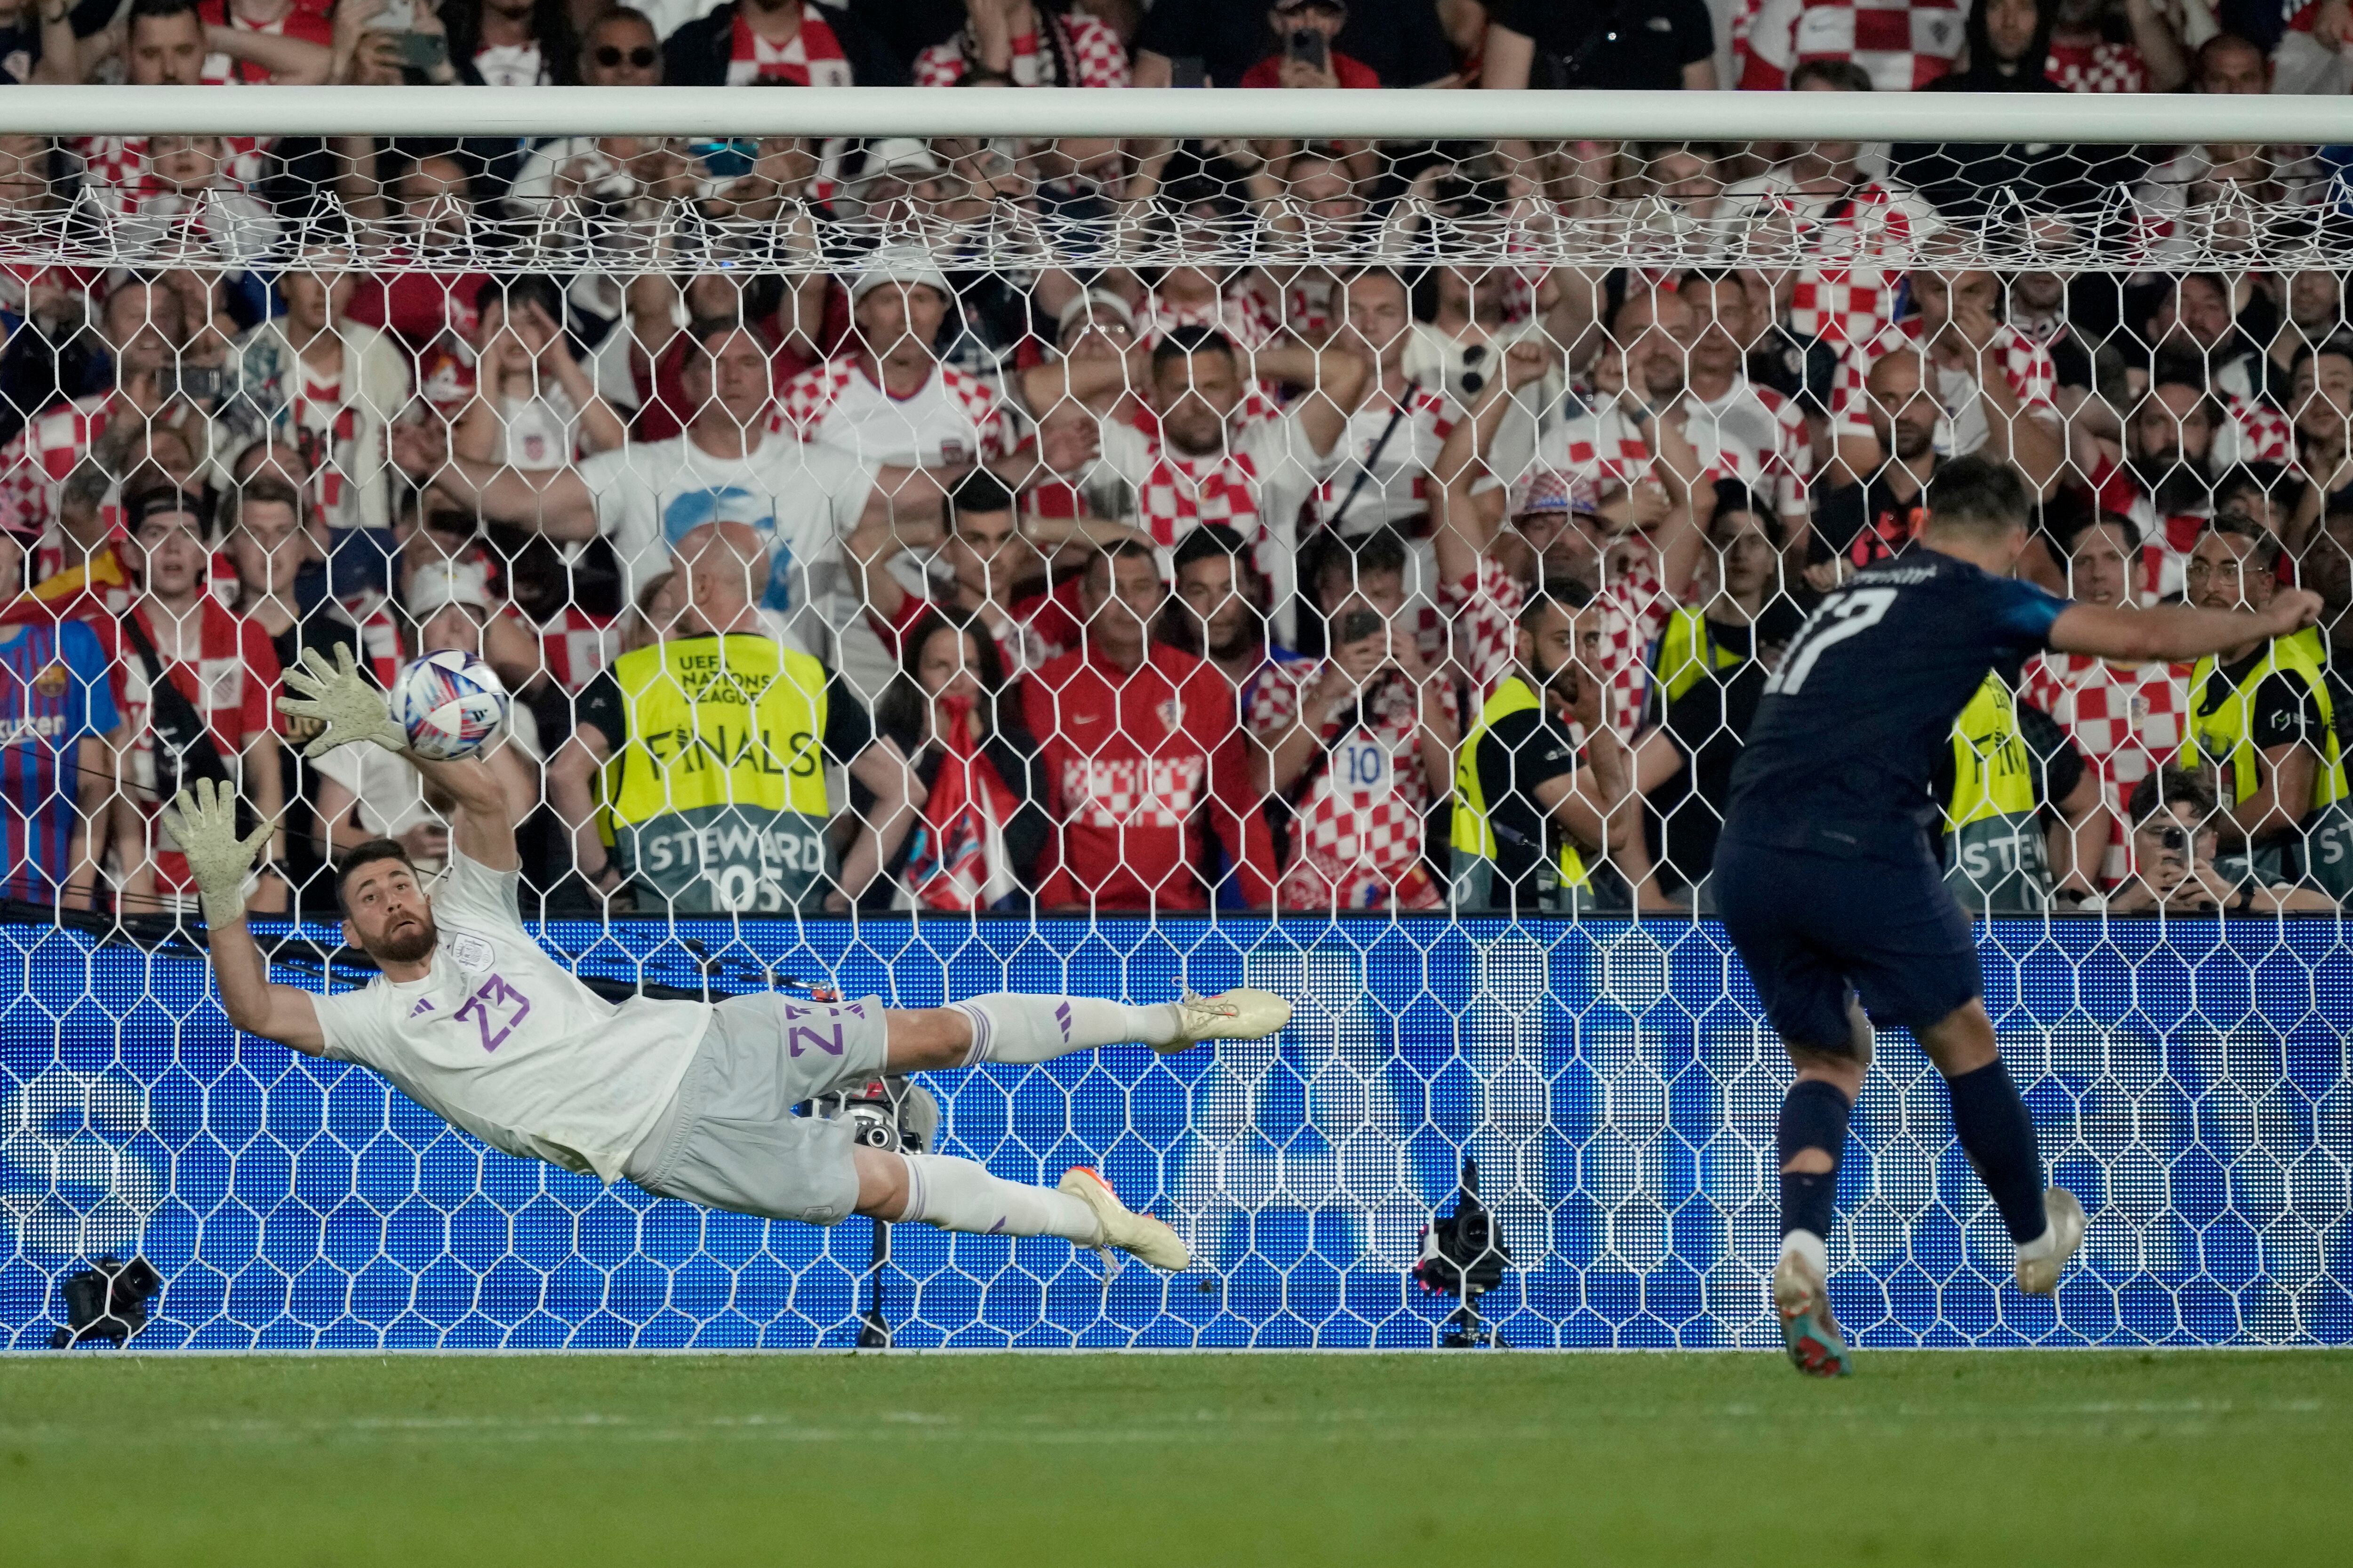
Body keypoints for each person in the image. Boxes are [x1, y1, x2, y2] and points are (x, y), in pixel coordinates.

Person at [170, 645, 1297, 1275]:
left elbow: (482, 797)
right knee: (887, 1190)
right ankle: (1095, 1220)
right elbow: (258, 1009)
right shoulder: (370, 1021)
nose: (391, 893)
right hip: (671, 1141)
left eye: (396, 878)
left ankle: (1176, 1018)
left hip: (716, 1034)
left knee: (934, 1034)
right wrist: (226, 893)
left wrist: (388, 730)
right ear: (355, 935)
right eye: (367, 895)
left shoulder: (478, 914)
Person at [1710, 454, 2324, 1378]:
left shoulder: (1858, 591)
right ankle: (2036, 1238)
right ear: (2016, 542)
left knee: (1830, 1058)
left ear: (1924, 522)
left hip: (1747, 852)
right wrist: (2266, 617)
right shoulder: (1976, 593)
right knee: (1961, 1038)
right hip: (1859, 843)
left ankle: (1802, 1251)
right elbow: (2139, 638)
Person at [549, 520, 916, 914]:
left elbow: (564, 774)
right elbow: (905, 791)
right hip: (787, 927)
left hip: (666, 929)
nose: (671, 588)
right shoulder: (809, 679)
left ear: (702, 586)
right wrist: (840, 895)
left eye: (677, 574)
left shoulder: (637, 674)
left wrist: (601, 880)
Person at [1021, 541, 1279, 911]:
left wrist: (1267, 905)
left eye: (1141, 588)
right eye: (1111, 589)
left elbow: (1235, 808)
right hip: (1085, 923)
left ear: (1160, 598)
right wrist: (1060, 905)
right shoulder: (1048, 688)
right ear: (1085, 598)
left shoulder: (1202, 684)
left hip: (1180, 923)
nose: (1127, 602)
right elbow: (1044, 812)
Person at [2179, 516, 2352, 901]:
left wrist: (2198, 840)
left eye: (2229, 571)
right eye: (2200, 570)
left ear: (2265, 585)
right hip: (2240, 876)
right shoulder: (2207, 664)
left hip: (2303, 887)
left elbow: (2283, 806)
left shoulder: (2283, 676)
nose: (2210, 586)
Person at [870, 608, 1049, 912]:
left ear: (986, 677)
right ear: (915, 677)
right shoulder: (885, 747)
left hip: (999, 927)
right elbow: (882, 852)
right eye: (940, 666)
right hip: (897, 923)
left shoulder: (1016, 749)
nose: (956, 680)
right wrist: (932, 754)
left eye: (970, 666)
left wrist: (976, 749)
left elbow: (1024, 847)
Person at [0, 524, 119, 908]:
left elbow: (94, 781)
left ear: (18, 549)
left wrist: (79, 893)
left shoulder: (70, 640)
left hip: (56, 904)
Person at [2104, 765, 2336, 914]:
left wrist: (2235, 896)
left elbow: (2330, 910)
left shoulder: (2241, 877)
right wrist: (2128, 905)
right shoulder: (2124, 893)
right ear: (2135, 842)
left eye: (2192, 834)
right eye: (2160, 833)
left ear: (2214, 844)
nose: (2175, 846)